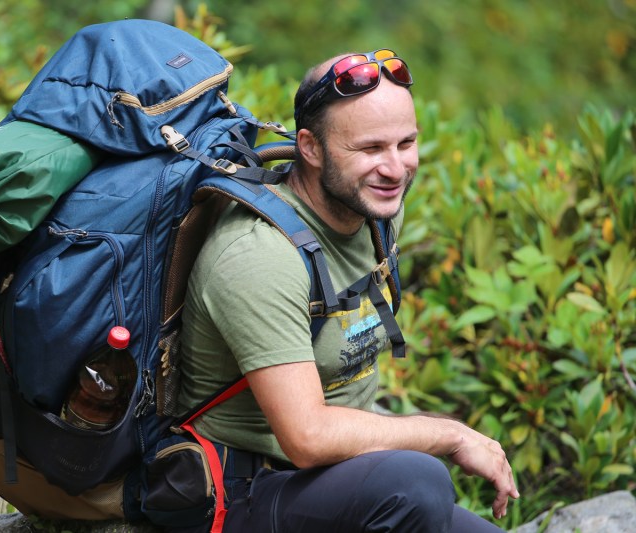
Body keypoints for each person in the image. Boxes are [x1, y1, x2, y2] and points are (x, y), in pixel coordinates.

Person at [175, 49, 519, 532]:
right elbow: (308, 437)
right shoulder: (258, 255)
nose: (396, 169)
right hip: (240, 492)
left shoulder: (375, 212)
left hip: (338, 479)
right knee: (418, 482)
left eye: (407, 143)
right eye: (371, 149)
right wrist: (449, 435)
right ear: (310, 148)